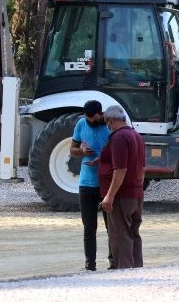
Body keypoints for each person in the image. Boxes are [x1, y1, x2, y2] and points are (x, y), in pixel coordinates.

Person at [98, 105, 145, 269]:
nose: (107, 126)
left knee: (120, 234)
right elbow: (141, 168)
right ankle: (137, 267)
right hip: (136, 193)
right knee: (133, 233)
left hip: (121, 195)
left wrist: (109, 196)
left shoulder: (118, 138)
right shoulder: (136, 135)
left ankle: (124, 271)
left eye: (107, 123)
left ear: (110, 121)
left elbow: (120, 169)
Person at [70, 100, 111, 271]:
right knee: (89, 227)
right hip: (86, 183)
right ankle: (90, 265)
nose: (90, 121)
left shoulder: (110, 125)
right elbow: (72, 149)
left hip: (106, 182)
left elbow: (116, 151)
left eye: (93, 118)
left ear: (100, 114)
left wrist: (101, 159)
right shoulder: (81, 123)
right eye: (87, 118)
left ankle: (114, 262)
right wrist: (82, 152)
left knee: (112, 226)